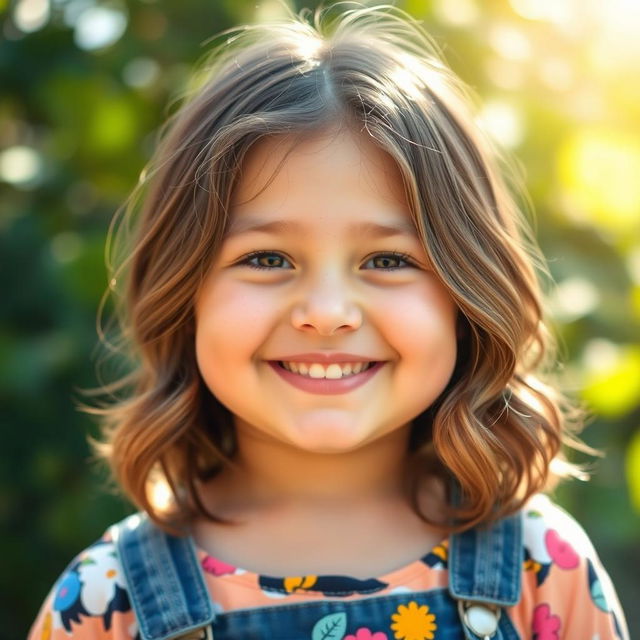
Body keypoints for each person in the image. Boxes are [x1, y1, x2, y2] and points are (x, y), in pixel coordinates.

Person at [28, 4, 629, 640]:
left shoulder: (545, 570)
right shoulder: (105, 601)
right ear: (185, 291)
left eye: (388, 260)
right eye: (266, 258)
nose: (326, 313)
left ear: (467, 294)